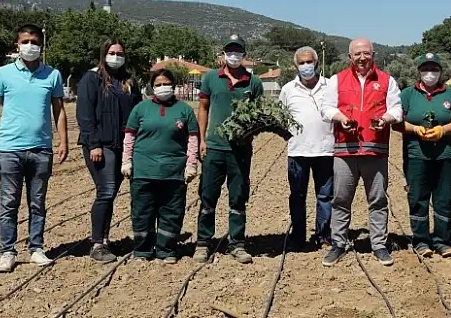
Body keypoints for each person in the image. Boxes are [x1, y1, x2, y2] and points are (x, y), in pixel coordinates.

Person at [0, 24, 68, 273]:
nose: (30, 46)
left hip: (41, 149)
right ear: (17, 45)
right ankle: (7, 252)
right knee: (9, 202)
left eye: (34, 42)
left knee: (37, 202)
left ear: (41, 46)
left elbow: (59, 111)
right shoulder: (2, 74)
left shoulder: (52, 75)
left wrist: (63, 141)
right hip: (9, 149)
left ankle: (36, 248)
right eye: (25, 41)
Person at [319, 37, 402, 267]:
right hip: (346, 150)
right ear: (350, 57)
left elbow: (397, 108)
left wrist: (386, 118)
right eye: (357, 54)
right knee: (341, 199)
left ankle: (379, 245)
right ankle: (338, 243)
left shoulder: (386, 80)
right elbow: (326, 108)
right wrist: (341, 117)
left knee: (377, 199)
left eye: (366, 53)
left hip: (376, 150)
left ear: (373, 54)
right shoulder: (337, 80)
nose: (362, 57)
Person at [195, 34, 264, 264]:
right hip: (215, 147)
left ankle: (237, 243)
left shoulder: (253, 83)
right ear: (224, 53)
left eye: (238, 50)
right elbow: (203, 108)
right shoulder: (211, 78)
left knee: (238, 196)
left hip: (240, 150)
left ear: (244, 54)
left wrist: (249, 135)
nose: (234, 54)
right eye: (230, 50)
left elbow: (259, 116)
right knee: (208, 196)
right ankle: (203, 243)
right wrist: (202, 140)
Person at [121, 69, 199, 263]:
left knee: (171, 212)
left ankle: (166, 250)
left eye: (166, 84)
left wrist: (191, 164)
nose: (163, 87)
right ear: (152, 87)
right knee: (142, 212)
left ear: (173, 86)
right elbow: (129, 137)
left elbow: (193, 139)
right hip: (143, 171)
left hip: (174, 172)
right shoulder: (141, 109)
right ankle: (143, 250)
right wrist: (126, 160)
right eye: (158, 84)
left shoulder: (184, 110)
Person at [393, 52, 451, 258]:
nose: (430, 73)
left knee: (444, 197)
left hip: (445, 155)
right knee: (418, 197)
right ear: (419, 72)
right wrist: (415, 129)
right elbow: (396, 122)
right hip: (416, 155)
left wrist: (443, 130)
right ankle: (421, 241)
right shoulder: (407, 94)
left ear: (441, 72)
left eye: (434, 69)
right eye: (425, 69)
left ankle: (442, 240)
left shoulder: (450, 94)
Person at [76, 39, 142, 263]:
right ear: (104, 54)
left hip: (123, 144)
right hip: (101, 145)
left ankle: (104, 238)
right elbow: (85, 114)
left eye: (120, 53)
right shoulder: (92, 78)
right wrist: (94, 144)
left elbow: (138, 110)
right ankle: (97, 244)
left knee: (111, 193)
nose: (116, 56)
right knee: (106, 190)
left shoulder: (129, 81)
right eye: (112, 52)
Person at [278, 46, 334, 250]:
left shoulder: (329, 86)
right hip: (298, 151)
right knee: (297, 195)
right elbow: (280, 117)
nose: (306, 66)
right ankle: (298, 235)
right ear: (295, 66)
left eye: (309, 62)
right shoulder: (288, 89)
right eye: (301, 63)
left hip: (326, 150)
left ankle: (323, 235)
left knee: (325, 195)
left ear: (316, 63)